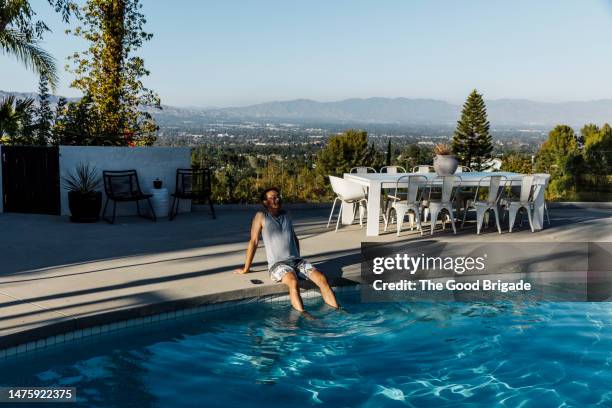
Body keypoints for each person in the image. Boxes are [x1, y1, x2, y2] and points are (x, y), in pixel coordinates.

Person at [235, 187, 339, 312]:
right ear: (265, 202)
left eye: (278, 196)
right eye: (273, 197)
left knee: (322, 279)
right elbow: (254, 241)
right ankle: (303, 315)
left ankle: (337, 311)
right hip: (278, 265)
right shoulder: (261, 216)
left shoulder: (287, 214)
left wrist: (298, 257)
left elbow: (293, 237)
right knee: (292, 281)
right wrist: (246, 269)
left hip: (297, 261)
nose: (277, 199)